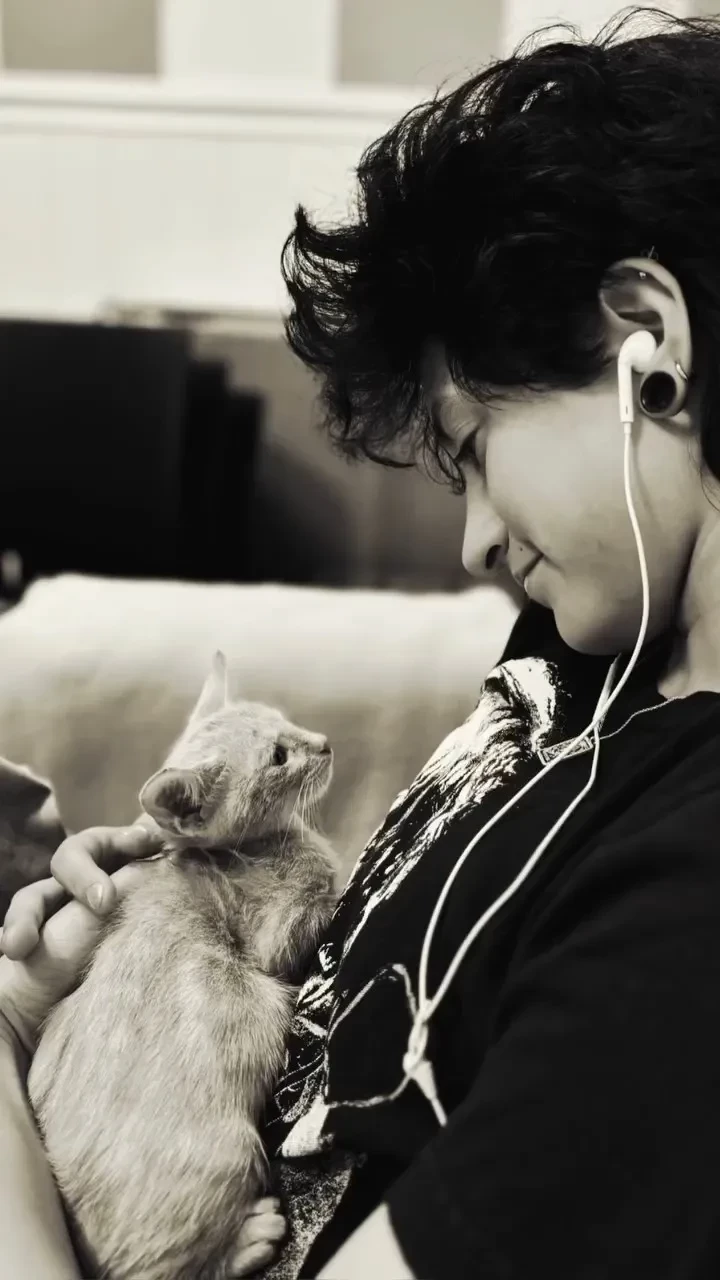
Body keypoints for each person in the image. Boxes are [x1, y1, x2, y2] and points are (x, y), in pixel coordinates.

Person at [4, 6, 720, 1276]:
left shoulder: (689, 905)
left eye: (473, 450)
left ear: (643, 340)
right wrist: (85, 1000)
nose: (475, 542)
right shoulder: (594, 645)